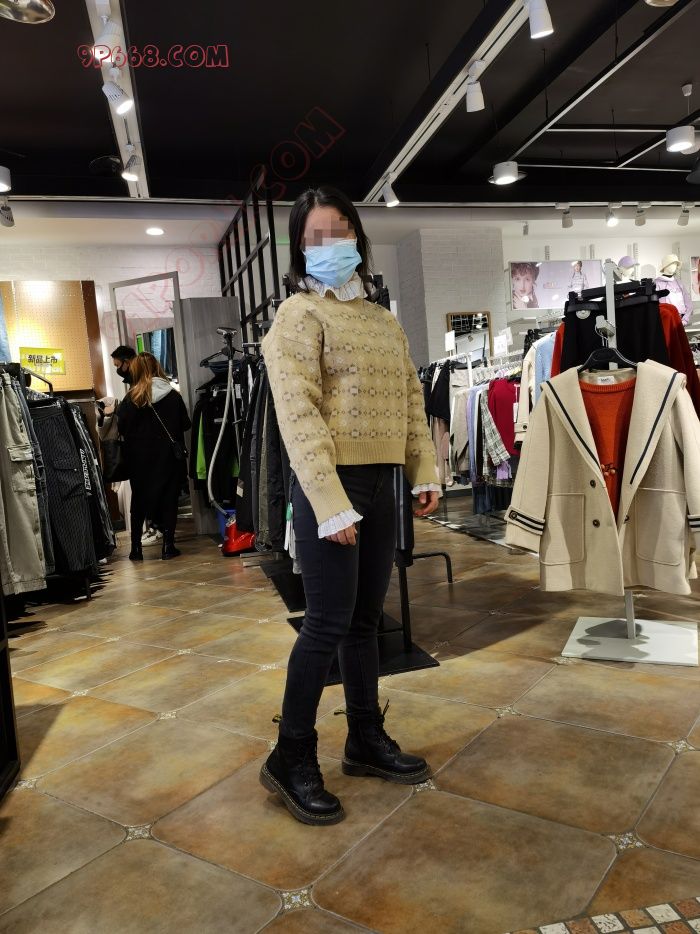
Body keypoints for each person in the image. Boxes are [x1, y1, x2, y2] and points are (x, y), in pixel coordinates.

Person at [259, 185, 440, 826]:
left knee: (365, 620)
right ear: (299, 246)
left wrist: (423, 468)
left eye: (340, 230)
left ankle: (364, 736)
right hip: (329, 488)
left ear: (358, 237)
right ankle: (290, 756)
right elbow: (297, 414)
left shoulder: (383, 320)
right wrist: (329, 502)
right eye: (316, 235)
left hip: (381, 482)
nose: (330, 243)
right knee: (326, 623)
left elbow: (411, 398)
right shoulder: (297, 316)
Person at [117, 352, 190, 561]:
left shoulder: (130, 399)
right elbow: (185, 424)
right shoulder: (172, 395)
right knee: (169, 499)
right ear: (157, 367)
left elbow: (121, 428)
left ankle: (136, 549)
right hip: (167, 457)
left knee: (139, 501)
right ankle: (168, 546)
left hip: (138, 459)